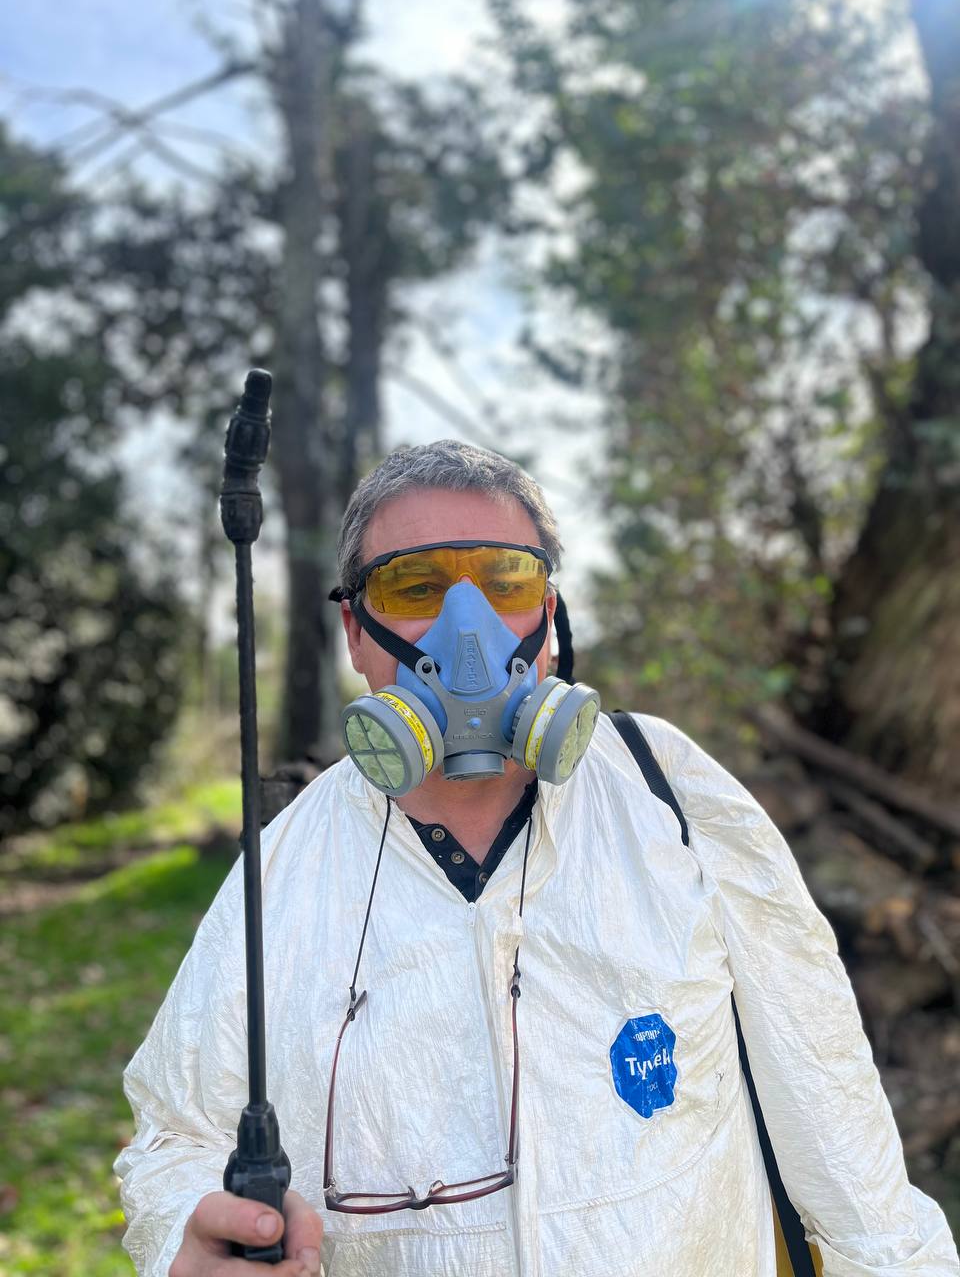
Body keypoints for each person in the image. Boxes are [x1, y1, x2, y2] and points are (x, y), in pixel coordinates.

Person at [115, 440, 959, 1277]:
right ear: (355, 633)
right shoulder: (284, 868)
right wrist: (188, 1238)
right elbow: (177, 1137)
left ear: (548, 618)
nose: (469, 633)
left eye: (506, 582)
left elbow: (829, 1098)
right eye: (417, 587)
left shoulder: (669, 795)